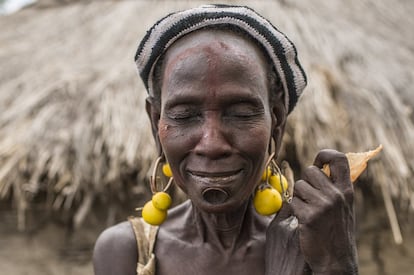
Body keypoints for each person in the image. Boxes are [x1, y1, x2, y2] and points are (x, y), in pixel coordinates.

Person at [93, 4, 358, 275]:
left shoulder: (316, 248)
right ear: (156, 122)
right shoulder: (125, 253)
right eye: (185, 115)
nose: (212, 144)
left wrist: (337, 266)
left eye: (241, 114)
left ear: (276, 123)